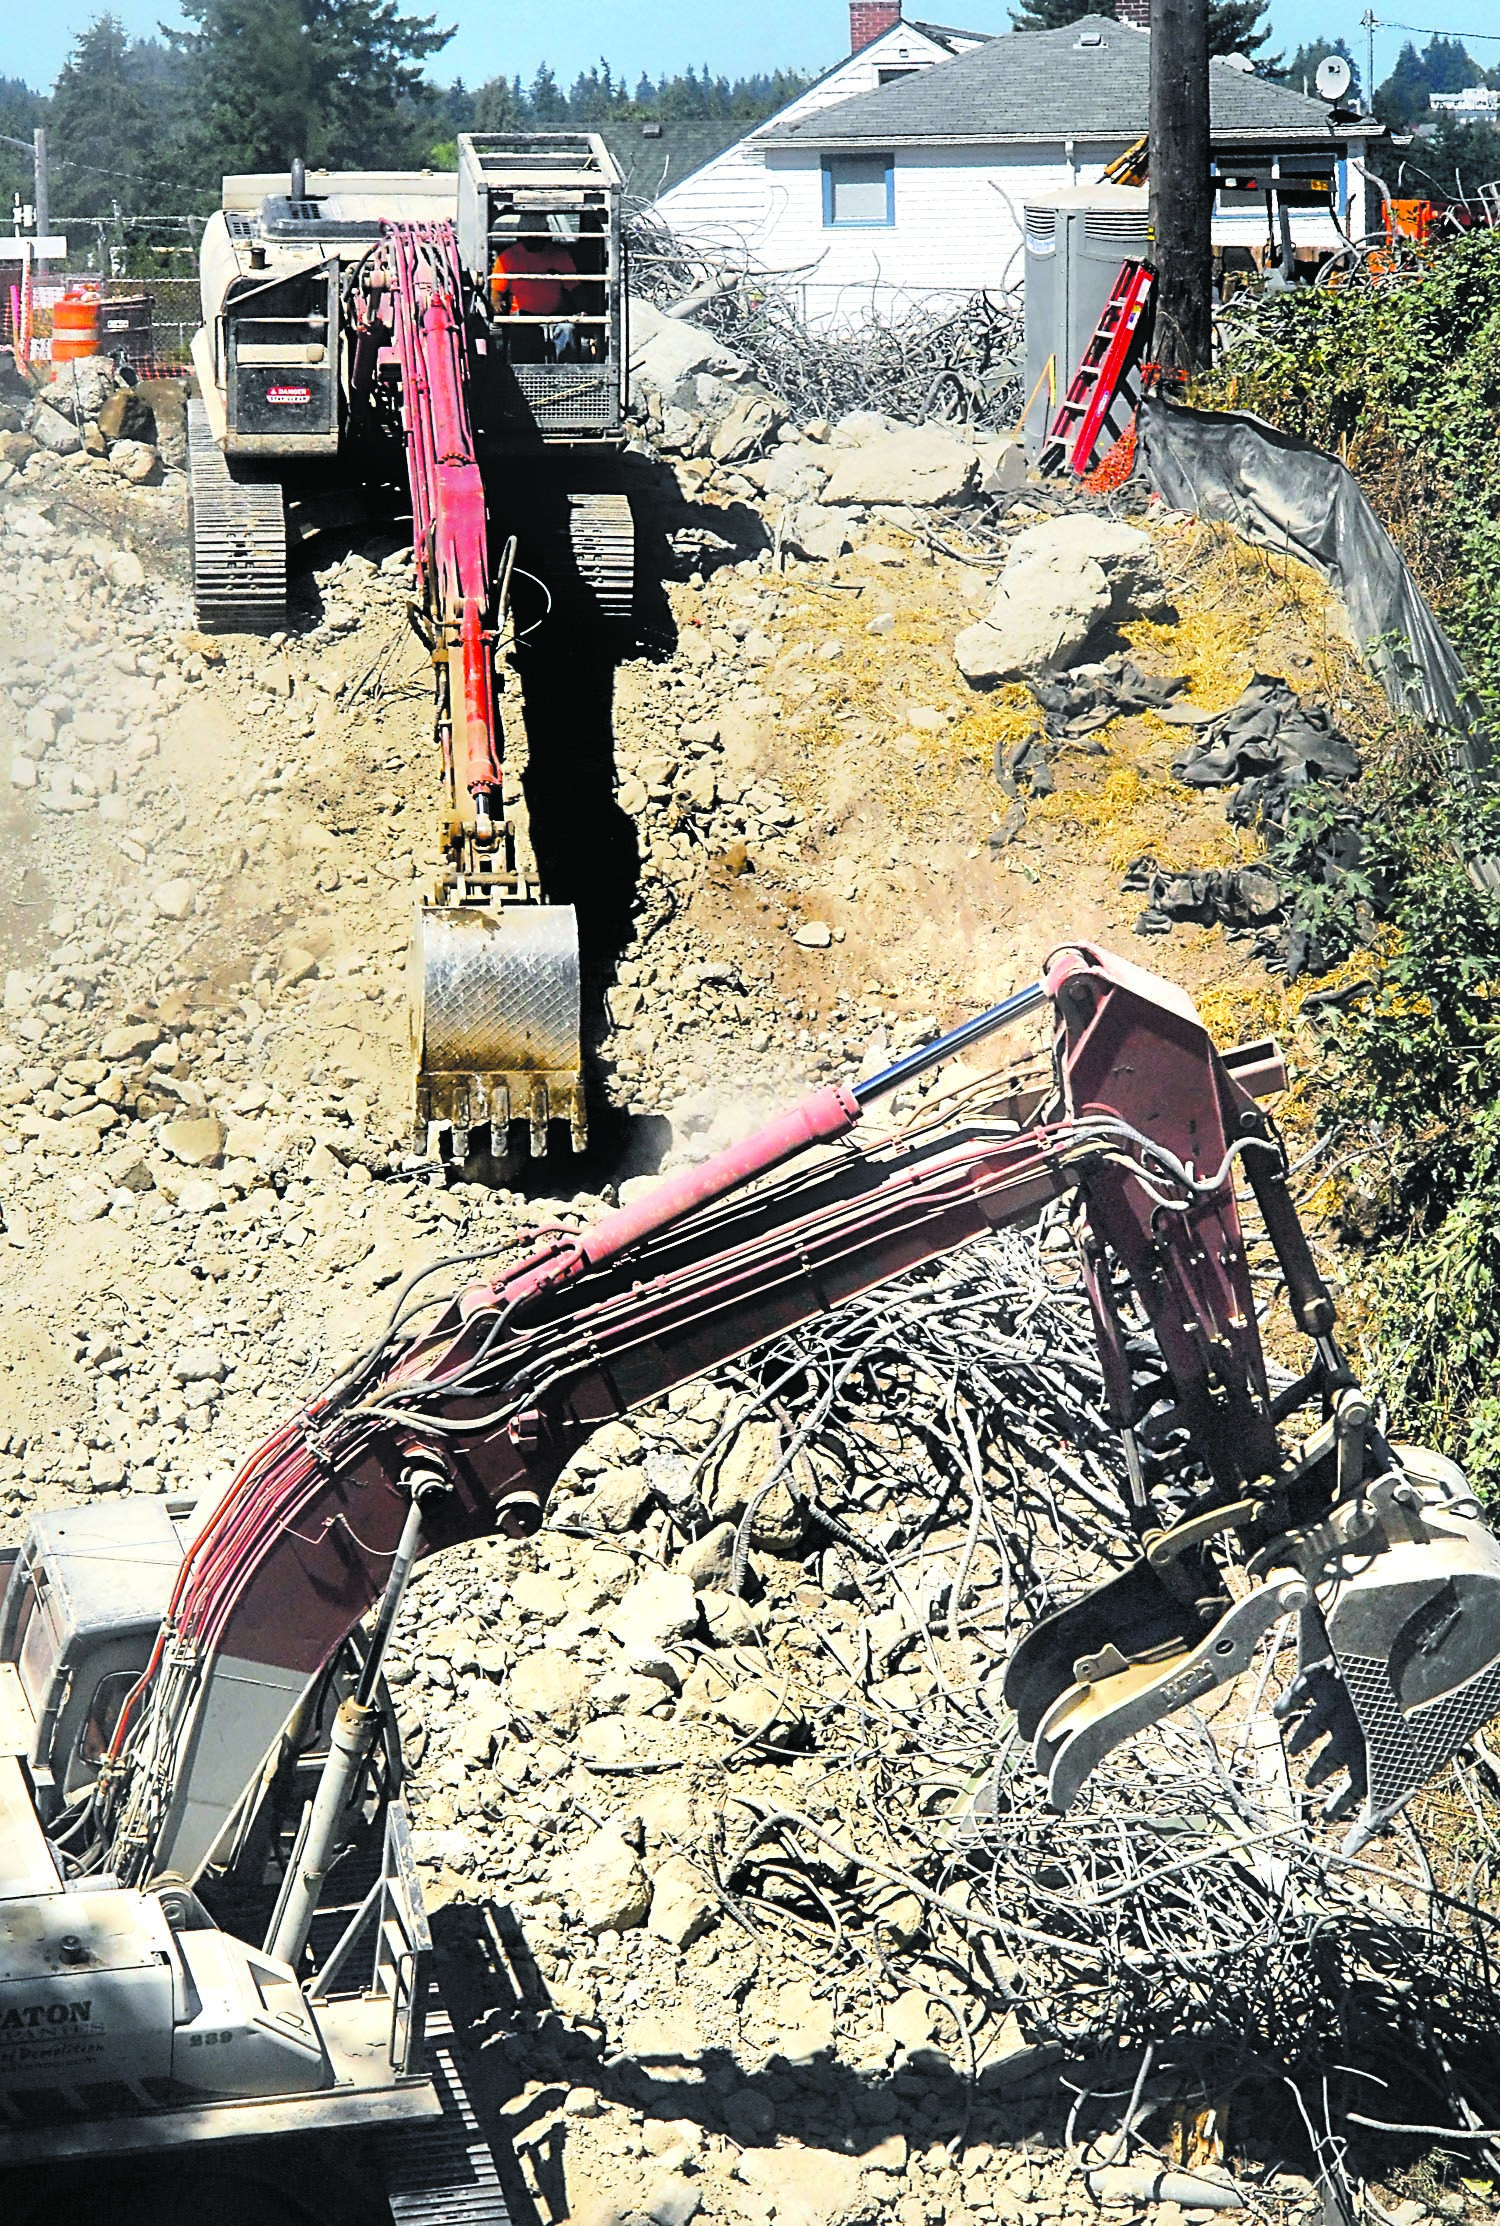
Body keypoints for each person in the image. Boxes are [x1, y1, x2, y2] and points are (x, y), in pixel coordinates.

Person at [490, 212, 577, 363]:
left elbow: (575, 287)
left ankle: (566, 375)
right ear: (521, 237)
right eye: (529, 238)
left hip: (556, 314)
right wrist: (496, 305)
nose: (533, 243)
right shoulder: (508, 257)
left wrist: (584, 310)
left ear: (546, 236)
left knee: (567, 329)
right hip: (522, 316)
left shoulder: (559, 255)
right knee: (522, 334)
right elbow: (496, 291)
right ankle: (522, 374)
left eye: (537, 238)